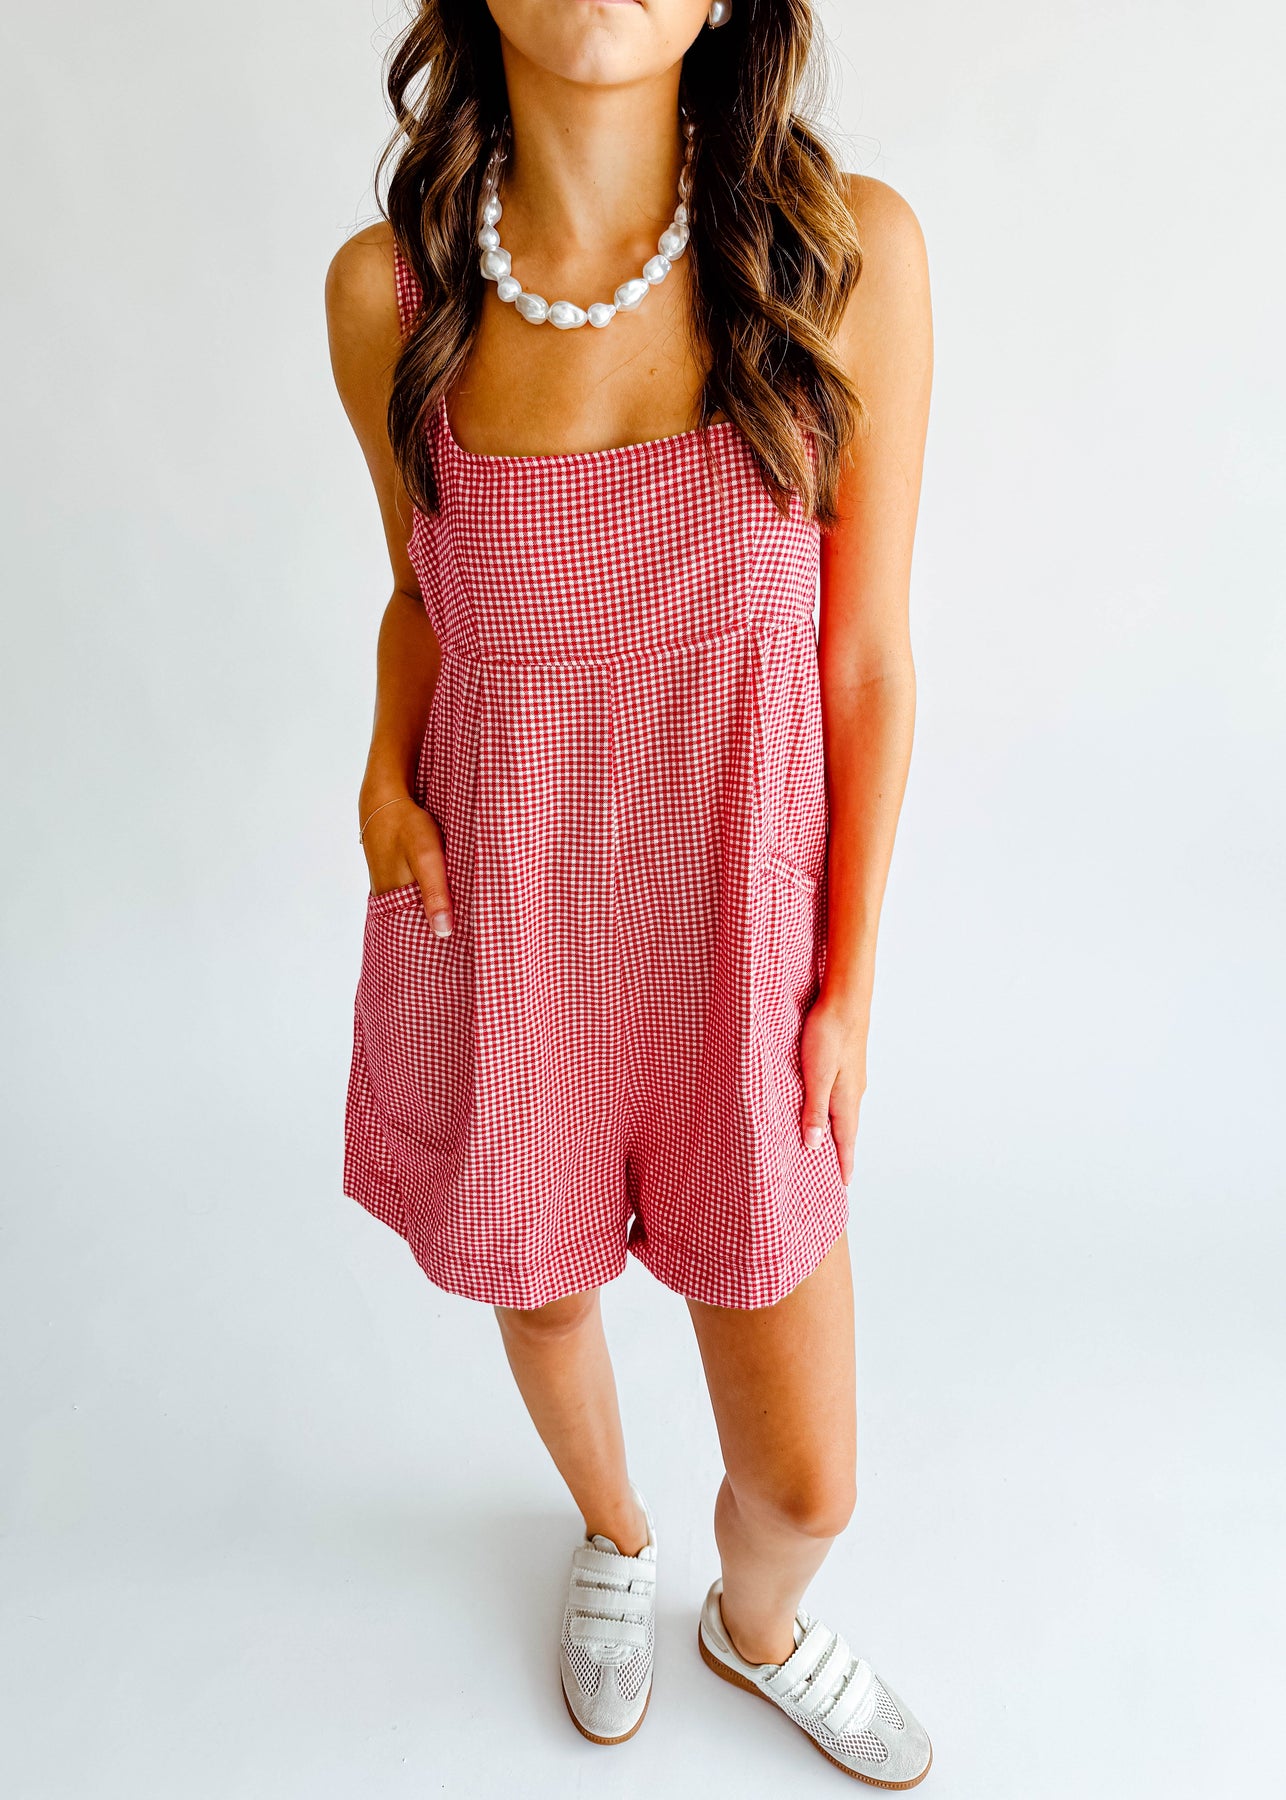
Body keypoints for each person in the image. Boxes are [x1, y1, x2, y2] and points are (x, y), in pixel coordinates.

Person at [324, 0, 932, 1783]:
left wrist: (849, 978)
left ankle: (756, 1624)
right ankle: (613, 1530)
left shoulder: (841, 259)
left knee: (809, 1479)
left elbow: (867, 663)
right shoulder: (392, 298)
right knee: (544, 1293)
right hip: (506, 925)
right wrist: (380, 767)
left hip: (739, 956)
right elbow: (422, 594)